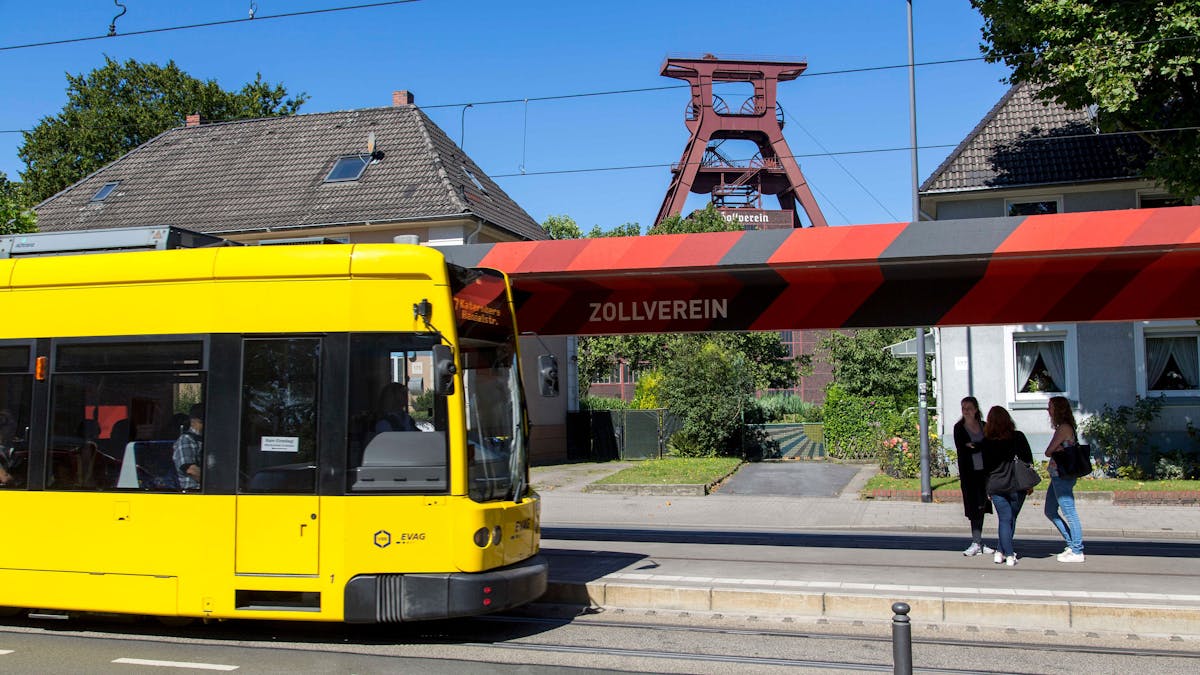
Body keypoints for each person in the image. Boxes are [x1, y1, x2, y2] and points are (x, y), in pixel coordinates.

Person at [979, 406, 1034, 567]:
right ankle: (1009, 554)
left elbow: (985, 468)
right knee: (1011, 519)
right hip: (1017, 485)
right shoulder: (1018, 437)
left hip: (996, 485)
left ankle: (1001, 552)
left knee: (1004, 519)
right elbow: (1028, 460)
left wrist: (987, 488)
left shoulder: (986, 442)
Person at [1044, 395, 1085, 563]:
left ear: (1058, 410)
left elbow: (1048, 451)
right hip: (1058, 475)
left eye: (1050, 407)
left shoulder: (1063, 428)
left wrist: (1055, 449)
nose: (1048, 410)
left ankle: (1077, 550)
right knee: (1050, 510)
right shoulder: (1065, 427)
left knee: (1069, 512)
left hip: (1062, 476)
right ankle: (1071, 544)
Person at [952, 396, 994, 557]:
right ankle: (976, 542)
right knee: (972, 507)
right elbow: (963, 449)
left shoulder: (984, 426)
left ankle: (979, 541)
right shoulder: (959, 428)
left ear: (976, 409)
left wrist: (976, 446)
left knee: (982, 506)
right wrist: (977, 446)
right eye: (963, 408)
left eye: (969, 408)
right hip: (969, 474)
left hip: (984, 472)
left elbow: (989, 446)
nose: (966, 411)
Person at [172, 404, 204, 490]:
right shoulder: (186, 440)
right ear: (193, 421)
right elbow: (192, 470)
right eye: (202, 422)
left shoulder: (204, 440)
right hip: (194, 492)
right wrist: (216, 482)